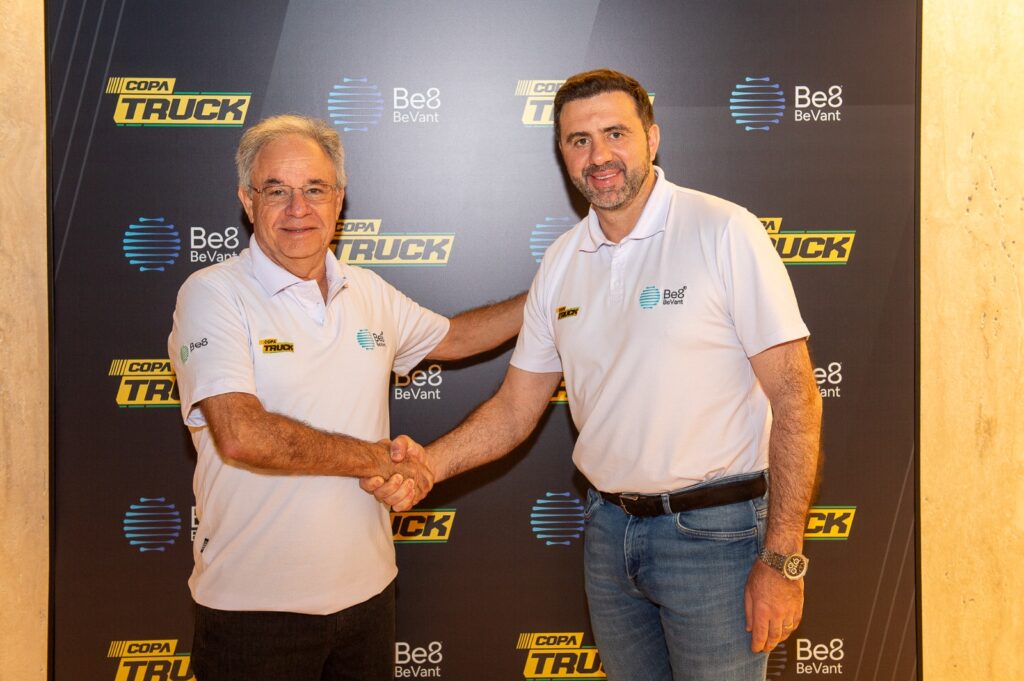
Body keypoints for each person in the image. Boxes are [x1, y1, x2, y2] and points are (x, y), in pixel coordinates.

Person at [367, 70, 823, 681]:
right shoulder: (561, 262)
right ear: (562, 153)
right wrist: (428, 464)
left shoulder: (723, 231)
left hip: (716, 537)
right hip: (610, 534)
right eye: (579, 140)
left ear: (652, 138)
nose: (599, 155)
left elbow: (795, 398)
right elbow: (514, 410)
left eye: (615, 133)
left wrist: (784, 559)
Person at [168, 113, 524, 681]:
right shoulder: (213, 294)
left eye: (315, 189)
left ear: (339, 199)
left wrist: (552, 294)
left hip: (369, 598)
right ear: (247, 200)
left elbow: (456, 338)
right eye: (276, 191)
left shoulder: (368, 290)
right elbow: (241, 434)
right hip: (253, 609)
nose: (298, 208)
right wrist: (378, 460)